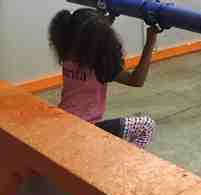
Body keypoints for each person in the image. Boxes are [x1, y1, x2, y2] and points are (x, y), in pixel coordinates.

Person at [49, 8, 159, 149]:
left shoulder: (67, 53)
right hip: (84, 129)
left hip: (64, 121)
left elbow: (91, 35)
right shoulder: (98, 65)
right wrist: (150, 42)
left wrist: (108, 17)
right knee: (146, 126)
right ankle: (124, 160)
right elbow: (136, 80)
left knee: (136, 120)